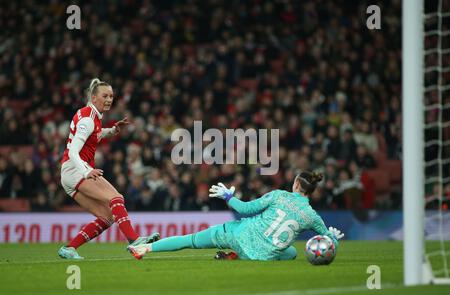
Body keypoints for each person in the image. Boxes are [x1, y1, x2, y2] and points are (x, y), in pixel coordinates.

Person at [128, 171, 344, 261]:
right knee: (291, 253)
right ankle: (235, 256)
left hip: (238, 235)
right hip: (263, 255)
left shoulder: (279, 195)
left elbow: (245, 210)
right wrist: (332, 237)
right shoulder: (312, 216)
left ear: (296, 184)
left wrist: (229, 197)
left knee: (191, 240)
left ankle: (145, 248)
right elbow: (327, 240)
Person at [58, 78, 159, 260]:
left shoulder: (92, 116)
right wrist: (86, 171)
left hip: (69, 174)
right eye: (105, 96)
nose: (109, 99)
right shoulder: (89, 119)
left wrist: (111, 131)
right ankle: (134, 240)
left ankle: (69, 248)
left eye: (111, 96)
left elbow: (94, 134)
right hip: (76, 170)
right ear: (94, 97)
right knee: (116, 198)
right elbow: (73, 150)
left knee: (107, 217)